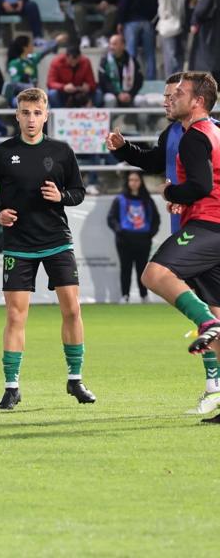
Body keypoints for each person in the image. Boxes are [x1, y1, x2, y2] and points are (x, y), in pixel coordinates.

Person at [106, 74, 220, 415]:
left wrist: (172, 192)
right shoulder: (209, 131)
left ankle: (206, 325)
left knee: (154, 274)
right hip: (211, 224)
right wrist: (126, 150)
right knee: (217, 308)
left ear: (197, 100)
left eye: (177, 94)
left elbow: (199, 185)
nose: (167, 99)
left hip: (208, 224)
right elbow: (161, 162)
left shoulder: (193, 137)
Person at [0, 88, 94, 410]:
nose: (31, 119)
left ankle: (75, 379)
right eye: (25, 113)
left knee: (72, 310)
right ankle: (12, 387)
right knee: (16, 316)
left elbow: (79, 192)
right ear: (17, 115)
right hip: (19, 243)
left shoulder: (62, 151)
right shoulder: (2, 153)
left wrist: (62, 197)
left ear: (46, 114)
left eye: (37, 113)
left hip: (57, 241)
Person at [109, 172, 159, 303]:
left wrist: (150, 233)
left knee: (142, 269)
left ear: (141, 182)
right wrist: (119, 231)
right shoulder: (120, 199)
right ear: (127, 182)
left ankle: (144, 295)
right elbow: (111, 218)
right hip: (124, 240)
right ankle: (125, 296)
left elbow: (156, 219)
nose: (134, 182)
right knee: (126, 268)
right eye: (131, 180)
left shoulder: (147, 200)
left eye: (136, 180)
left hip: (143, 240)